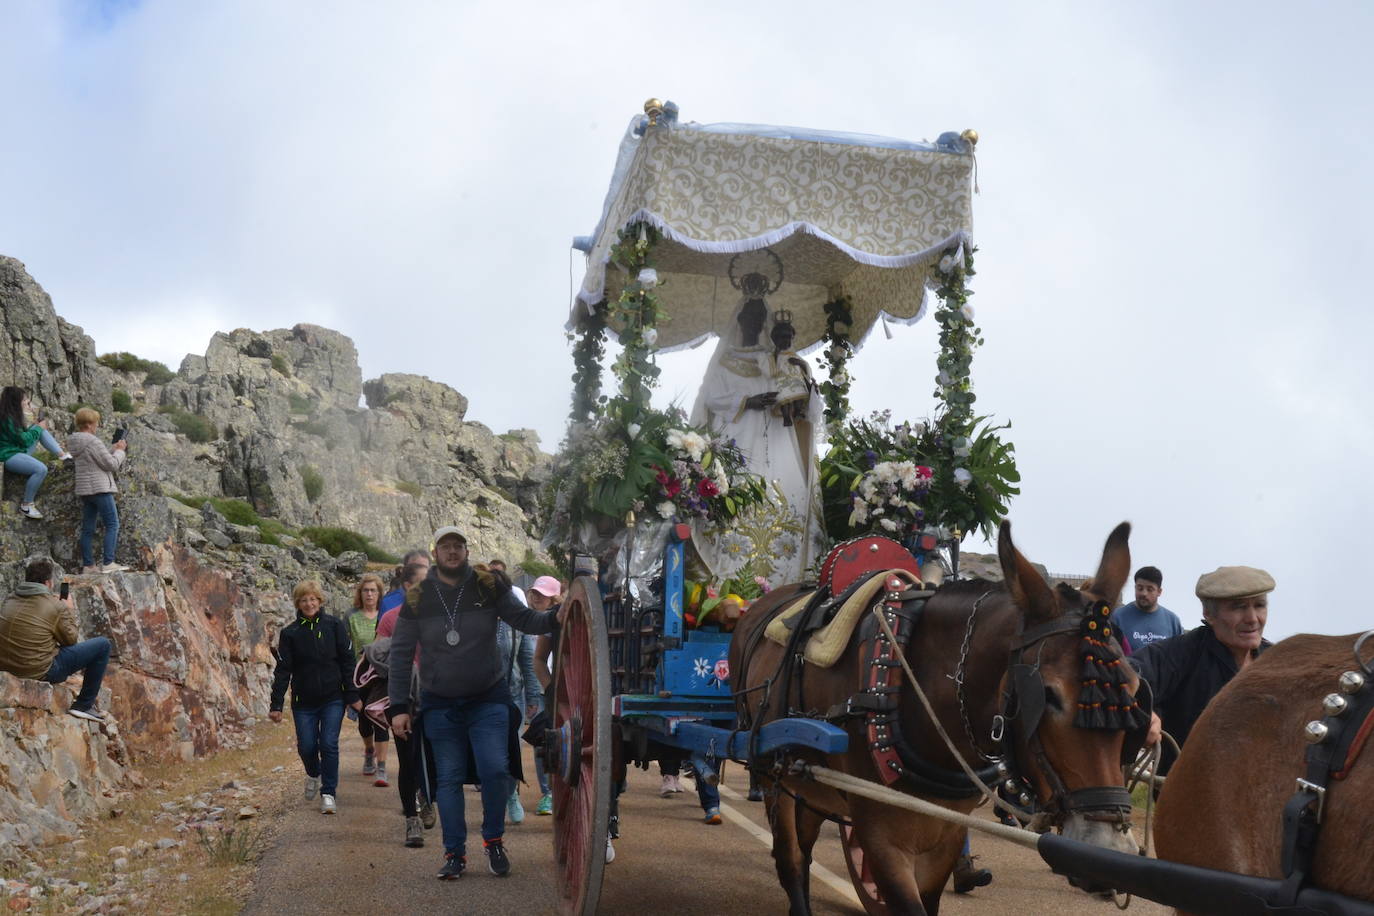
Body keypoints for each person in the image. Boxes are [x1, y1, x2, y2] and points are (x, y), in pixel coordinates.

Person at [387, 528, 558, 880]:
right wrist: (398, 707)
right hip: (439, 704)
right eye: (446, 546)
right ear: (436, 552)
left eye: (458, 545)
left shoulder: (488, 584)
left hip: (488, 698)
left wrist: (556, 617)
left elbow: (524, 620)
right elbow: (401, 654)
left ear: (466, 550)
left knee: (495, 769)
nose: (452, 551)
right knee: (447, 779)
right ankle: (454, 854)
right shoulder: (418, 596)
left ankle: (493, 839)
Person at [689, 305, 824, 584]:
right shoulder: (725, 361)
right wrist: (747, 402)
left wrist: (807, 388)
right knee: (731, 493)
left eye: (758, 319)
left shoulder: (776, 361)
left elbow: (799, 400)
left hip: (776, 439)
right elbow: (712, 397)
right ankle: (728, 580)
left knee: (785, 497)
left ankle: (785, 581)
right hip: (735, 437)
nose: (753, 324)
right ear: (739, 322)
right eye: (749, 319)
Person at [1130, 565, 1275, 773]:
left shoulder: (1274, 660)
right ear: (1209, 614)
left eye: (1259, 605)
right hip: (1188, 793)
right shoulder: (1184, 652)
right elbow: (1128, 672)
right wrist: (1142, 708)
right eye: (1238, 607)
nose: (1253, 619)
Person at [269, 581, 361, 815]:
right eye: (303, 600)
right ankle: (313, 773)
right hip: (303, 702)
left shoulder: (334, 625)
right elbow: (283, 670)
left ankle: (328, 793)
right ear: (298, 604)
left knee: (328, 744)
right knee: (307, 746)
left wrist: (351, 694)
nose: (309, 604)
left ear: (320, 601)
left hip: (333, 698)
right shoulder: (290, 633)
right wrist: (276, 704)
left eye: (312, 599)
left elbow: (348, 661)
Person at [0, 556, 111, 721]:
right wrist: (69, 610)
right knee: (103, 645)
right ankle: (83, 705)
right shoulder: (55, 606)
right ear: (48, 583)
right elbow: (71, 640)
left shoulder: (9, 599)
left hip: (6, 666)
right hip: (39, 672)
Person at [378, 555, 438, 847]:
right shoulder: (391, 619)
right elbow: (378, 658)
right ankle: (411, 820)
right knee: (408, 760)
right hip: (403, 699)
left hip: (437, 698)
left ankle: (428, 798)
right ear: (407, 586)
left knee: (436, 757)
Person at [489, 559, 542, 825]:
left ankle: (510, 794)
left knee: (510, 751)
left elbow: (528, 660)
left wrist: (532, 696)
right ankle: (494, 797)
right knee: (489, 752)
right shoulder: (474, 620)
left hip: (512, 695)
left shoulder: (516, 623)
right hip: (480, 697)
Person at [67, 408, 128, 574]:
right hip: (100, 488)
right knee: (112, 524)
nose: (97, 426)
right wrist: (120, 451)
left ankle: (88, 566)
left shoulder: (74, 441)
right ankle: (108, 563)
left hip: (86, 490)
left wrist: (112, 448)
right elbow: (111, 465)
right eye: (95, 423)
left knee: (87, 529)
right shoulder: (93, 441)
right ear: (88, 424)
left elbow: (94, 459)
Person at [0, 386, 72, 520]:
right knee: (41, 469)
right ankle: (27, 504)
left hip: (16, 451)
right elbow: (24, 441)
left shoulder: (11, 416)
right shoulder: (7, 418)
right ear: (16, 401)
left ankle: (63, 455)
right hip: (9, 455)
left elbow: (22, 438)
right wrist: (38, 428)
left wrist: (36, 427)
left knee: (39, 430)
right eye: (25, 400)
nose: (27, 402)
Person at [347, 573, 390, 786]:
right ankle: (369, 750)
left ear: (380, 594)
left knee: (381, 719)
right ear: (360, 594)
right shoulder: (352, 618)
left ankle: (382, 767)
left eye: (374, 590)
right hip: (359, 677)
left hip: (382, 677)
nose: (370, 594)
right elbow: (346, 649)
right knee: (364, 720)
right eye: (366, 590)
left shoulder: (387, 616)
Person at [1110, 566, 1182, 656]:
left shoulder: (1173, 621)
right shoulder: (1118, 617)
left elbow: (1179, 656)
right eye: (1140, 588)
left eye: (1149, 589)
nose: (1144, 593)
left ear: (1159, 592)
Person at [382, 550, 431, 615]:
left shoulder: (439, 601)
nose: (420, 572)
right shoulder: (388, 603)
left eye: (425, 568)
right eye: (414, 567)